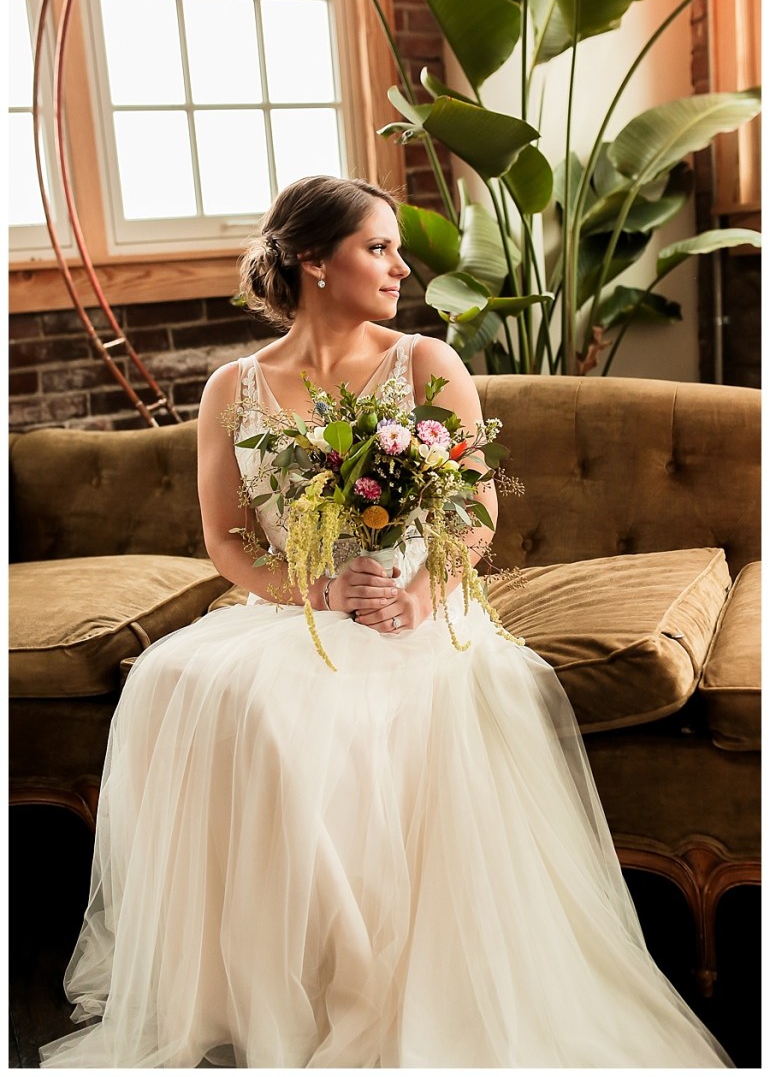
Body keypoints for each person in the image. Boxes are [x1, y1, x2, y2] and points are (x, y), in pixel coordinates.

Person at [40, 176, 732, 1068]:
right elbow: (226, 540)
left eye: (396, 247)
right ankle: (277, 987)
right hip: (304, 610)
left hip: (421, 612)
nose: (402, 266)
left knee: (350, 708)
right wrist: (315, 596)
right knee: (198, 684)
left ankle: (381, 988)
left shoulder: (425, 365)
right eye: (379, 247)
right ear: (312, 262)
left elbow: (475, 515)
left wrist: (415, 597)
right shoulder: (232, 388)